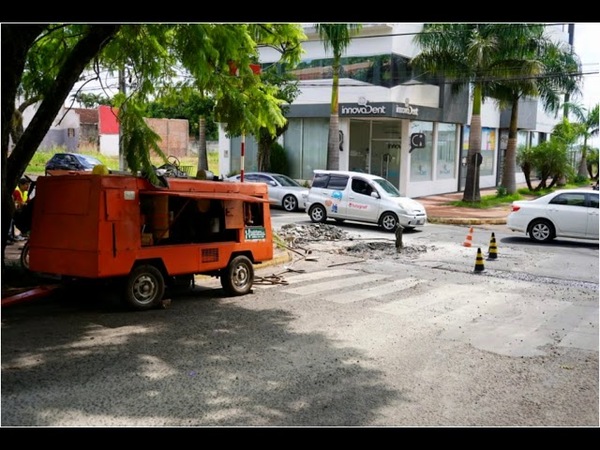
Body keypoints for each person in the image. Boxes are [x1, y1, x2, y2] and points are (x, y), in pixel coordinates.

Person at [10, 178, 31, 242]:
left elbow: (28, 202)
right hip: (14, 211)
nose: (28, 186)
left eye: (28, 185)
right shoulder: (16, 191)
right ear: (20, 185)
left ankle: (25, 232)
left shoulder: (25, 193)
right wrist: (24, 204)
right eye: (26, 185)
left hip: (19, 210)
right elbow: (20, 203)